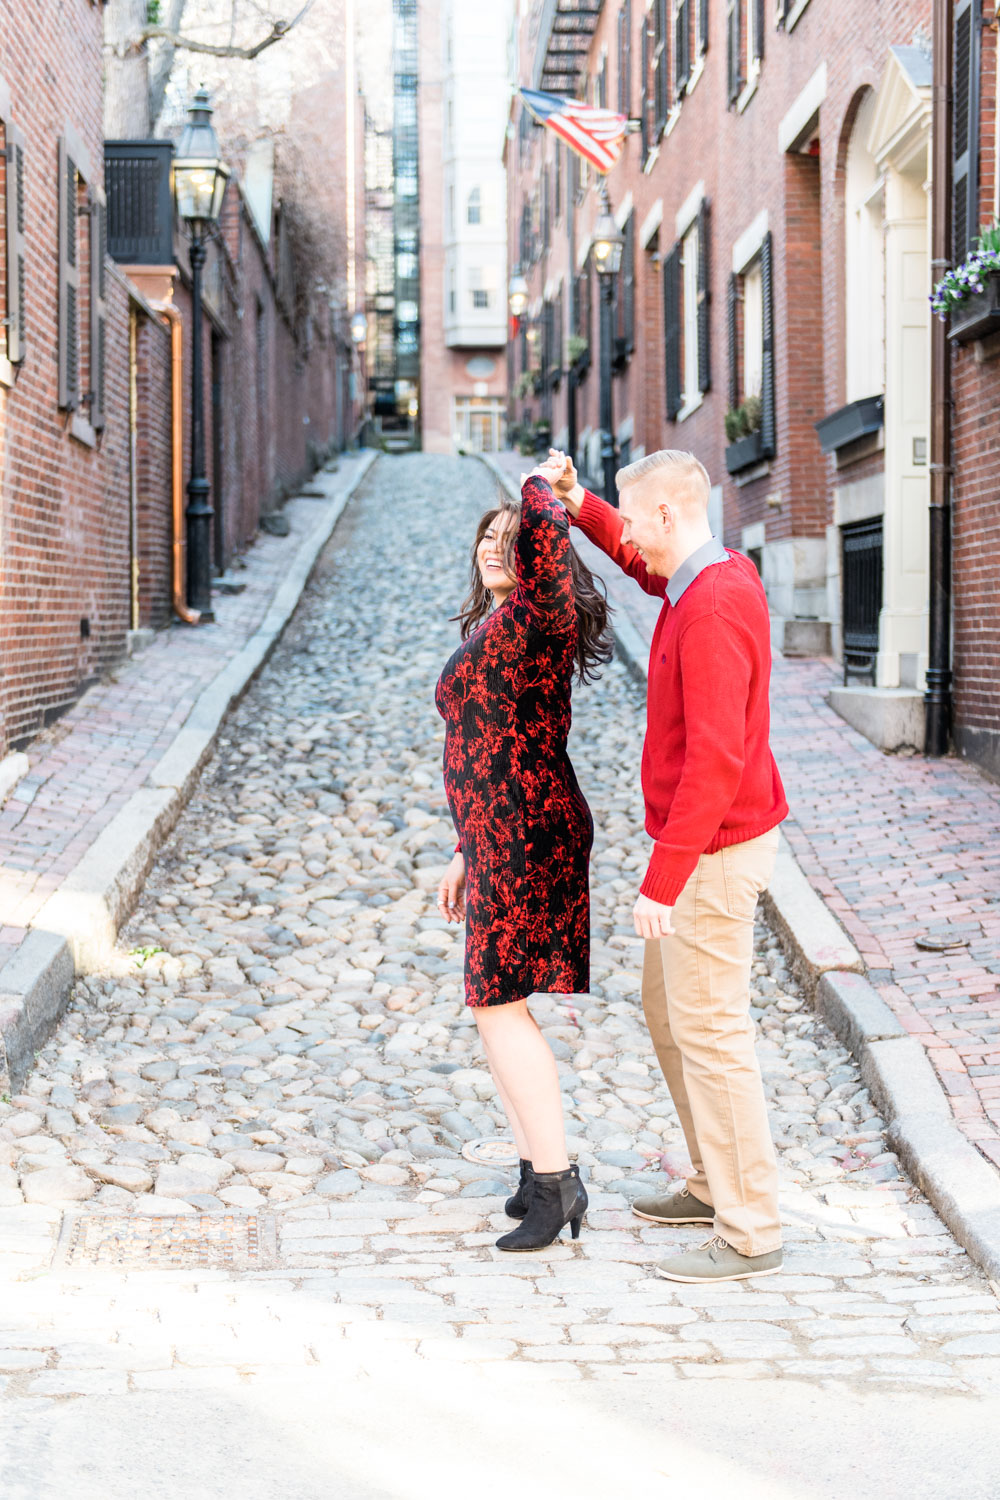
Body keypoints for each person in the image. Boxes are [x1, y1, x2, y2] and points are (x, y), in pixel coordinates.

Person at [547, 447, 789, 1284]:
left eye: (635, 522)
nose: (637, 554)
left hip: (716, 852)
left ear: (668, 516)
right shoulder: (703, 575)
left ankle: (751, 1227)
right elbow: (644, 568)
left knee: (712, 1033)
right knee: (667, 1014)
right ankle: (711, 1179)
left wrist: (664, 879)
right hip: (705, 845)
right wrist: (583, 507)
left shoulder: (716, 606)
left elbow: (717, 763)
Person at [434, 460, 613, 1252]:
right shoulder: (495, 624)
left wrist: (543, 481)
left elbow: (546, 529)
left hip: (529, 834)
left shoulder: (541, 615)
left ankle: (556, 1182)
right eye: (487, 537)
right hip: (497, 835)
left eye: (514, 540)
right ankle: (533, 1166)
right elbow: (481, 744)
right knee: (493, 1005)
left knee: (498, 1003)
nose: (498, 548)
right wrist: (462, 851)